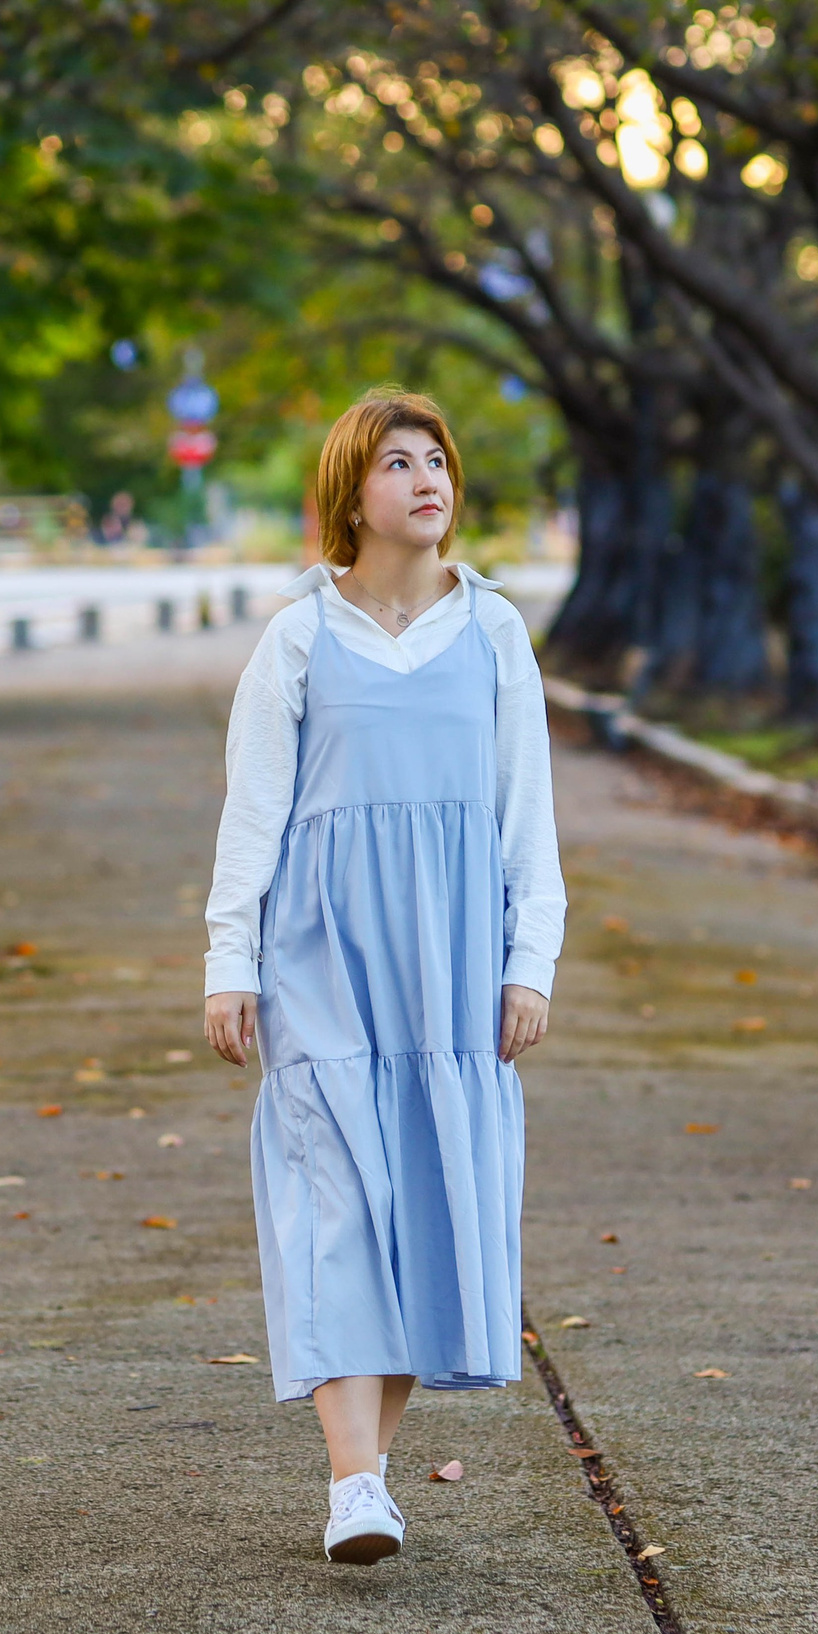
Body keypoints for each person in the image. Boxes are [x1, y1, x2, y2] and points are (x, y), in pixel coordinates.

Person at [202, 388, 564, 1566]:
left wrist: (529, 963)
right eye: (398, 461)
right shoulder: (300, 636)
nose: (427, 479)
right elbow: (251, 816)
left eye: (438, 460)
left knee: (425, 1204)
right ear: (349, 493)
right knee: (335, 1201)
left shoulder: (495, 630)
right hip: (323, 958)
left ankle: (373, 1475)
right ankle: (353, 1482)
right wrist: (229, 962)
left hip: (452, 970)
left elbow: (527, 825)